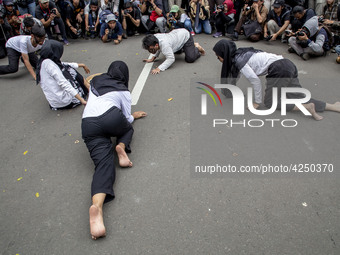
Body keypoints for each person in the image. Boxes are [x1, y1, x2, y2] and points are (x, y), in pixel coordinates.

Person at [81, 61, 147, 240]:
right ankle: (121, 146)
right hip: (111, 118)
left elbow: (88, 81)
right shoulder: (123, 91)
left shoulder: (97, 81)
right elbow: (126, 118)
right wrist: (134, 116)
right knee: (127, 128)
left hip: (88, 124)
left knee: (103, 164)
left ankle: (97, 206)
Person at [212, 39, 340, 120]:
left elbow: (255, 80)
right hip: (287, 65)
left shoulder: (239, 61)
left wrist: (256, 102)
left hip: (279, 70)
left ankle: (307, 107)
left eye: (218, 56)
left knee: (270, 103)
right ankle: (332, 106)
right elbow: (238, 74)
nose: (219, 59)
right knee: (298, 96)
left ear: (224, 54)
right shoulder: (241, 54)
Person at [36, 40, 90, 110]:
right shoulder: (50, 65)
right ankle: (88, 88)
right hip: (64, 101)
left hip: (54, 101)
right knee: (71, 71)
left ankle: (87, 87)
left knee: (66, 68)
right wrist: (81, 100)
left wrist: (82, 65)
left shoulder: (44, 60)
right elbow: (63, 83)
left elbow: (63, 64)